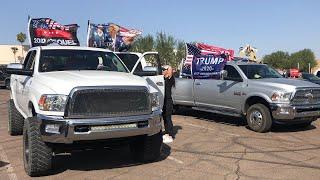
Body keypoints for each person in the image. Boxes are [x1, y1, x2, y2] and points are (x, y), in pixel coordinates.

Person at [162, 65, 175, 143]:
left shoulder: (170, 79)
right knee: (164, 118)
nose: (163, 71)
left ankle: (170, 134)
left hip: (168, 101)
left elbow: (170, 70)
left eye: (164, 70)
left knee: (168, 118)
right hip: (164, 101)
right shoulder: (163, 78)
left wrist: (168, 67)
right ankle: (167, 133)